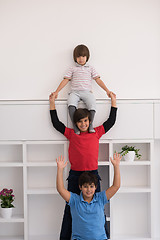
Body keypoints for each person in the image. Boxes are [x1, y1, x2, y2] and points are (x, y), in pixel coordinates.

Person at [49, 92, 117, 240]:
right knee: (70, 209)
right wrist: (52, 104)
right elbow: (56, 124)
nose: (83, 124)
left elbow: (111, 121)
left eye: (86, 121)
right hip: (75, 176)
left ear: (89, 120)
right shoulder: (72, 134)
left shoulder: (97, 132)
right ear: (76, 123)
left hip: (92, 175)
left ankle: (104, 236)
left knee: (99, 209)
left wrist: (113, 101)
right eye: (80, 121)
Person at [56, 153, 121, 240]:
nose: (88, 190)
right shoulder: (75, 200)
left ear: (95, 187)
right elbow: (60, 189)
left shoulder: (100, 198)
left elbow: (116, 186)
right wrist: (60, 169)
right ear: (80, 187)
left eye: (91, 186)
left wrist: (116, 166)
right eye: (85, 186)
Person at [52, 44, 115, 134]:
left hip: (87, 92)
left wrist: (107, 91)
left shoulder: (90, 69)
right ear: (75, 58)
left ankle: (90, 124)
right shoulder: (72, 69)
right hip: (75, 92)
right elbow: (66, 80)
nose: (81, 59)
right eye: (78, 56)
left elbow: (98, 80)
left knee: (92, 105)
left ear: (87, 57)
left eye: (83, 56)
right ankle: (75, 125)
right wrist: (56, 92)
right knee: (71, 104)